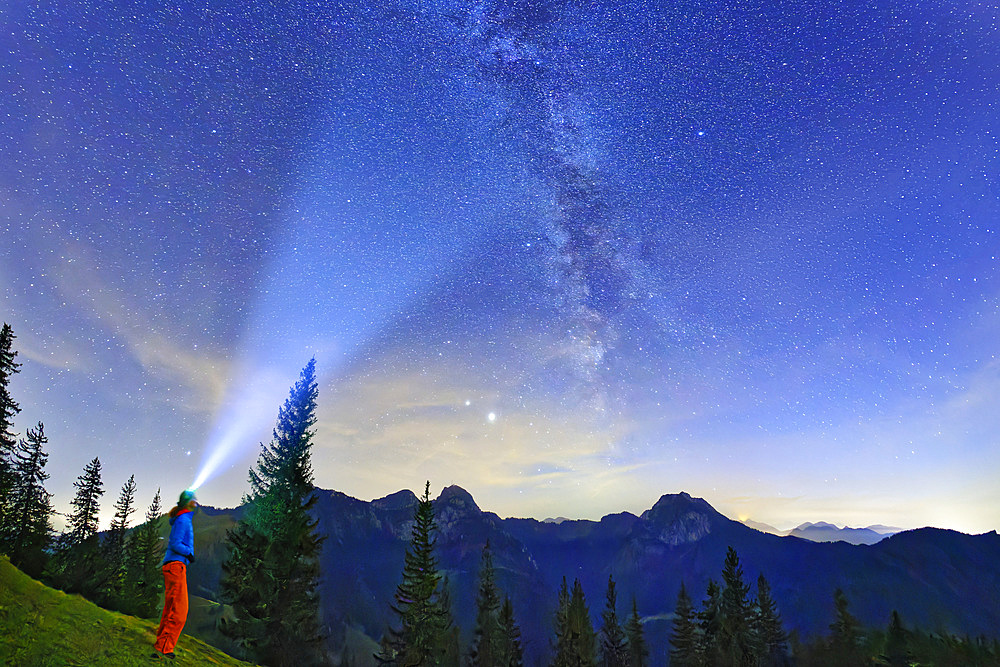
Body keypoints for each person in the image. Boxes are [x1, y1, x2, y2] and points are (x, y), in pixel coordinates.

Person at [153, 489, 197, 660]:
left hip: (173, 565)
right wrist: (189, 553)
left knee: (171, 607)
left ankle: (161, 643)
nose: (196, 502)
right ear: (188, 502)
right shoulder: (183, 519)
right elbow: (175, 543)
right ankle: (164, 647)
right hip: (176, 565)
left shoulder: (182, 518)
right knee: (180, 609)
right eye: (193, 499)